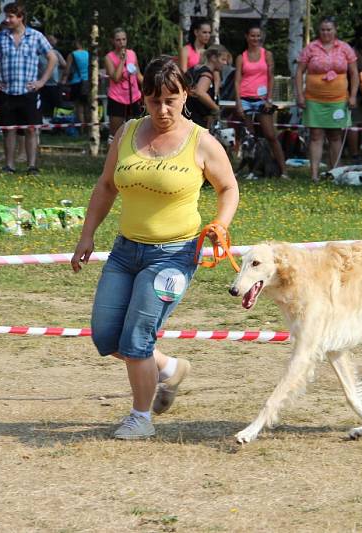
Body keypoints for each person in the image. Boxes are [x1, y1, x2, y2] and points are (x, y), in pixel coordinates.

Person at [71, 56, 239, 440]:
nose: (163, 110)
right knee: (106, 336)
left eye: (171, 99)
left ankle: (139, 417)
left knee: (136, 339)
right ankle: (168, 368)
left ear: (185, 95)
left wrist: (221, 224)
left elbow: (228, 187)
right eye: (153, 101)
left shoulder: (202, 141)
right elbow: (106, 186)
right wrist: (87, 234)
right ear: (143, 99)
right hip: (125, 250)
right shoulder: (127, 133)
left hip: (174, 255)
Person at [0, 2, 57, 175]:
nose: (7, 20)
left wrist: (42, 81)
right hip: (8, 91)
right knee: (9, 130)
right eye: (6, 16)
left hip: (29, 91)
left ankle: (32, 165)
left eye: (11, 16)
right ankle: (10, 165)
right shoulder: (0, 37)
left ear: (20, 17)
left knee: (31, 129)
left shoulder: (36, 36)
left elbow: (52, 58)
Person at [295, 16, 359, 182]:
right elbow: (299, 72)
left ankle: (334, 172)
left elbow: (354, 74)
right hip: (314, 99)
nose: (326, 32)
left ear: (335, 30)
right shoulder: (311, 48)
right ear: (319, 31)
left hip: (338, 99)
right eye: (323, 29)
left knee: (335, 136)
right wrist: (299, 95)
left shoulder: (345, 48)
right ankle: (314, 174)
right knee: (316, 136)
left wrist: (352, 95)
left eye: (329, 29)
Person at [234, 24, 287, 178]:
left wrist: (269, 99)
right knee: (248, 138)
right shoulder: (241, 57)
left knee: (270, 135)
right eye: (252, 35)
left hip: (262, 99)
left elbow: (271, 78)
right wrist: (238, 103)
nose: (255, 38)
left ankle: (283, 171)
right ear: (247, 37)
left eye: (258, 35)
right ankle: (251, 170)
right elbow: (237, 81)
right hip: (245, 98)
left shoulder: (267, 54)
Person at [104, 28, 143, 139]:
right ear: (113, 41)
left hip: (133, 97)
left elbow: (138, 75)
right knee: (115, 135)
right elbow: (115, 78)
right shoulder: (108, 57)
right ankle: (112, 155)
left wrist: (151, 84)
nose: (121, 42)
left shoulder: (132, 54)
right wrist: (122, 60)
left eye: (123, 39)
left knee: (136, 132)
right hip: (117, 97)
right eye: (118, 40)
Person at [185, 45, 225, 128]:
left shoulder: (195, 69)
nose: (225, 63)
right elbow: (200, 92)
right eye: (223, 59)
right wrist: (216, 108)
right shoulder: (206, 74)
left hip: (187, 115)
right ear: (213, 58)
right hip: (196, 119)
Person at [346, 35, 362, 160]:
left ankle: (348, 150)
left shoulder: (347, 53)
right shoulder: (359, 58)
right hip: (354, 96)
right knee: (355, 125)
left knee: (346, 125)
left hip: (342, 93)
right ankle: (355, 153)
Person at [61, 39, 90, 132]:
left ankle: (81, 129)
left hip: (77, 82)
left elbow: (67, 69)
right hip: (87, 82)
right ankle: (89, 128)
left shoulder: (72, 54)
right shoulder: (88, 53)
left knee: (79, 107)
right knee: (87, 106)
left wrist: (63, 79)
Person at [38, 34, 65, 119]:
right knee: (46, 105)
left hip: (52, 83)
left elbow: (64, 65)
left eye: (53, 40)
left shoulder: (55, 53)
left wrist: (62, 76)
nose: (52, 42)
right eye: (50, 40)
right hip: (43, 83)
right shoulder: (39, 53)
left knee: (54, 105)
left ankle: (55, 122)